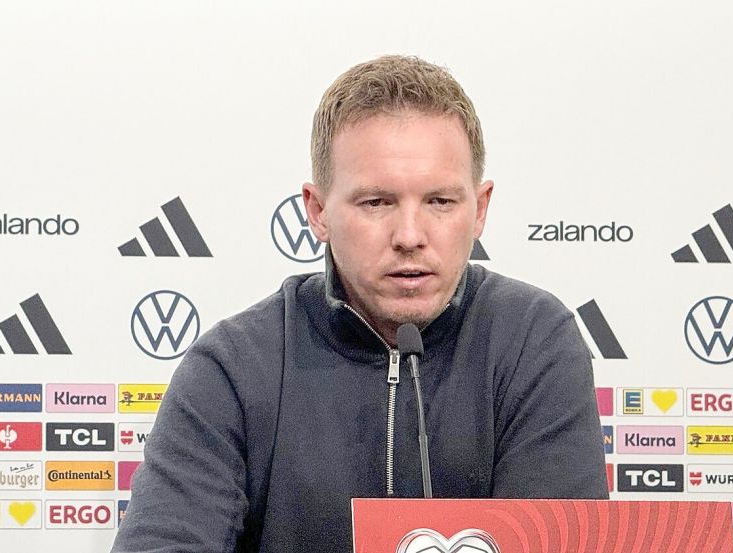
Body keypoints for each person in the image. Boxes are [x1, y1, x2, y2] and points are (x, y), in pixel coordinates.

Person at [112, 55, 608, 553]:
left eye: (440, 202)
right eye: (377, 202)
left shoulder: (534, 341)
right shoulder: (234, 366)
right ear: (318, 210)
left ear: (479, 210)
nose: (410, 236)